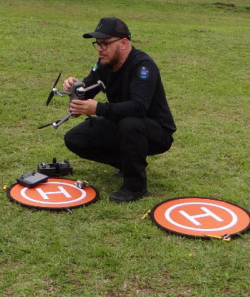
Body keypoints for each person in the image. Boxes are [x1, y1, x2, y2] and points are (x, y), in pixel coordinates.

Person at [62, 17, 176, 202]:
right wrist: (75, 88)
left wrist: (98, 108)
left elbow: (139, 107)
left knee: (130, 123)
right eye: (97, 44)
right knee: (75, 138)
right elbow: (87, 88)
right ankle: (128, 163)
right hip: (122, 122)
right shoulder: (104, 63)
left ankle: (135, 186)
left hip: (156, 131)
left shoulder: (143, 66)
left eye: (105, 44)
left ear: (123, 43)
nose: (100, 49)